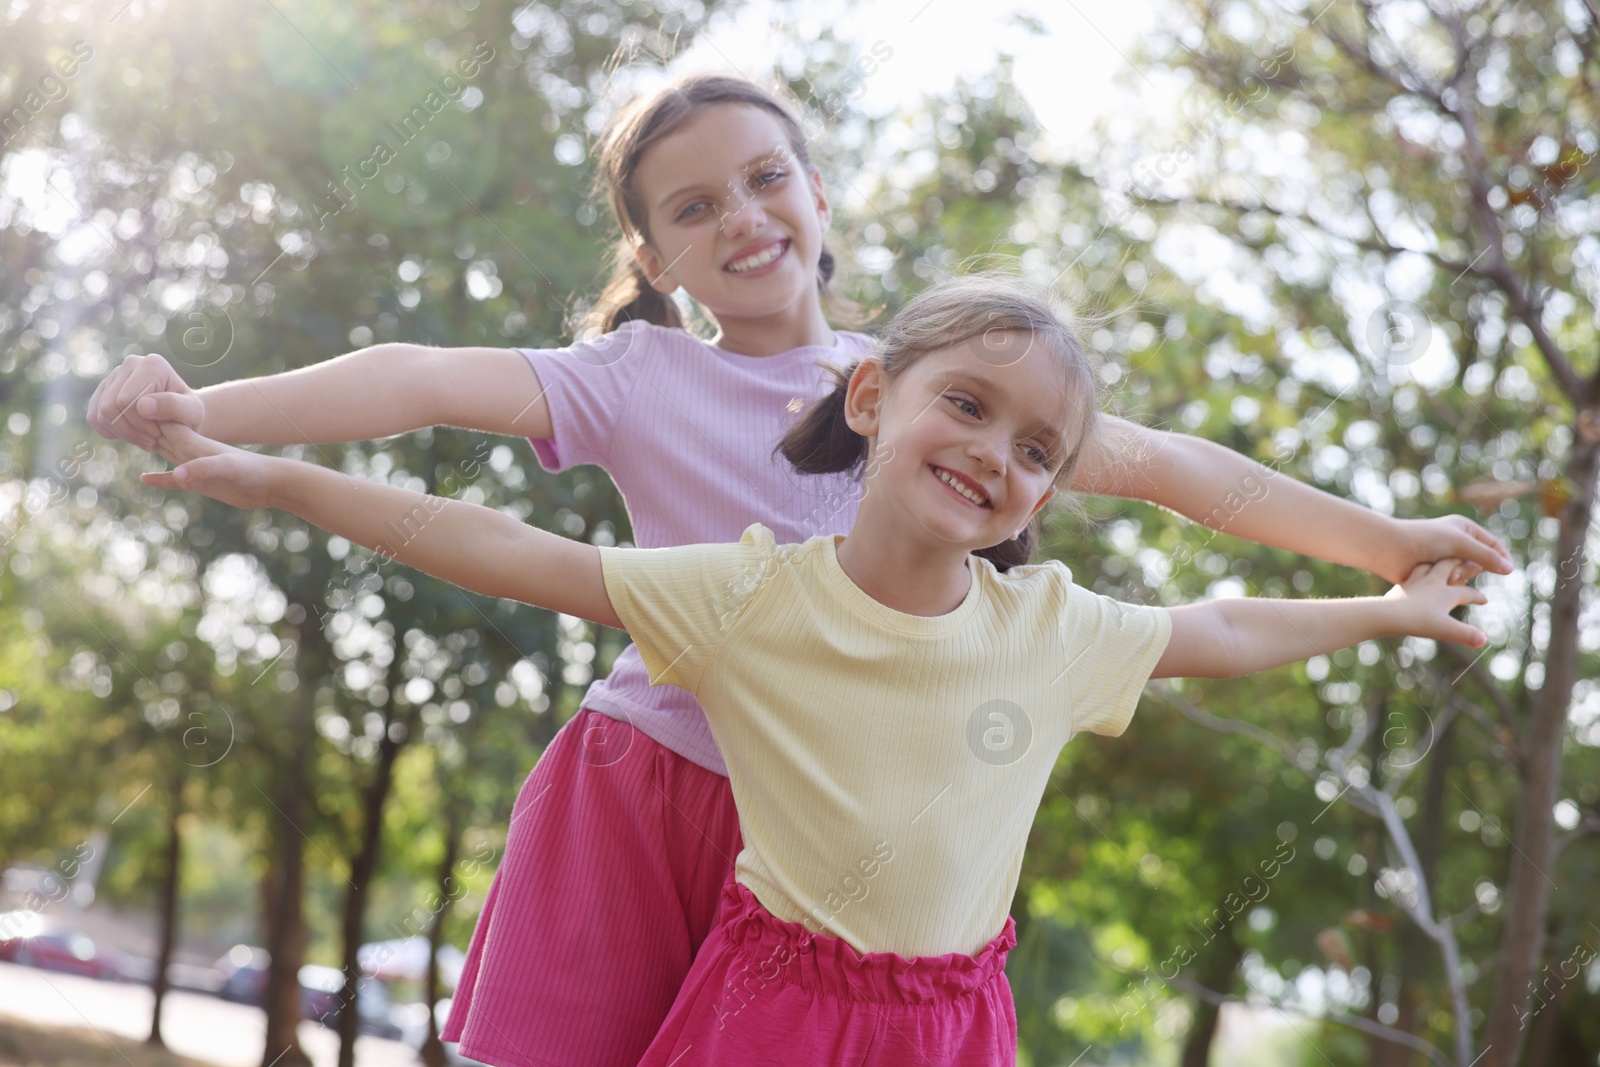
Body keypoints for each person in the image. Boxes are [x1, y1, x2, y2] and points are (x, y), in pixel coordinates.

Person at [137, 274, 1489, 1065]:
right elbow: (501, 549)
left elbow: (1228, 625)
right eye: (965, 405)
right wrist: (279, 476)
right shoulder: (748, 600)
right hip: (773, 1008)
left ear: (1047, 493)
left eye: (1036, 451)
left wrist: (1387, 602)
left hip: (957, 1021)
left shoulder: (1052, 627)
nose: (993, 455)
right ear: (869, 398)